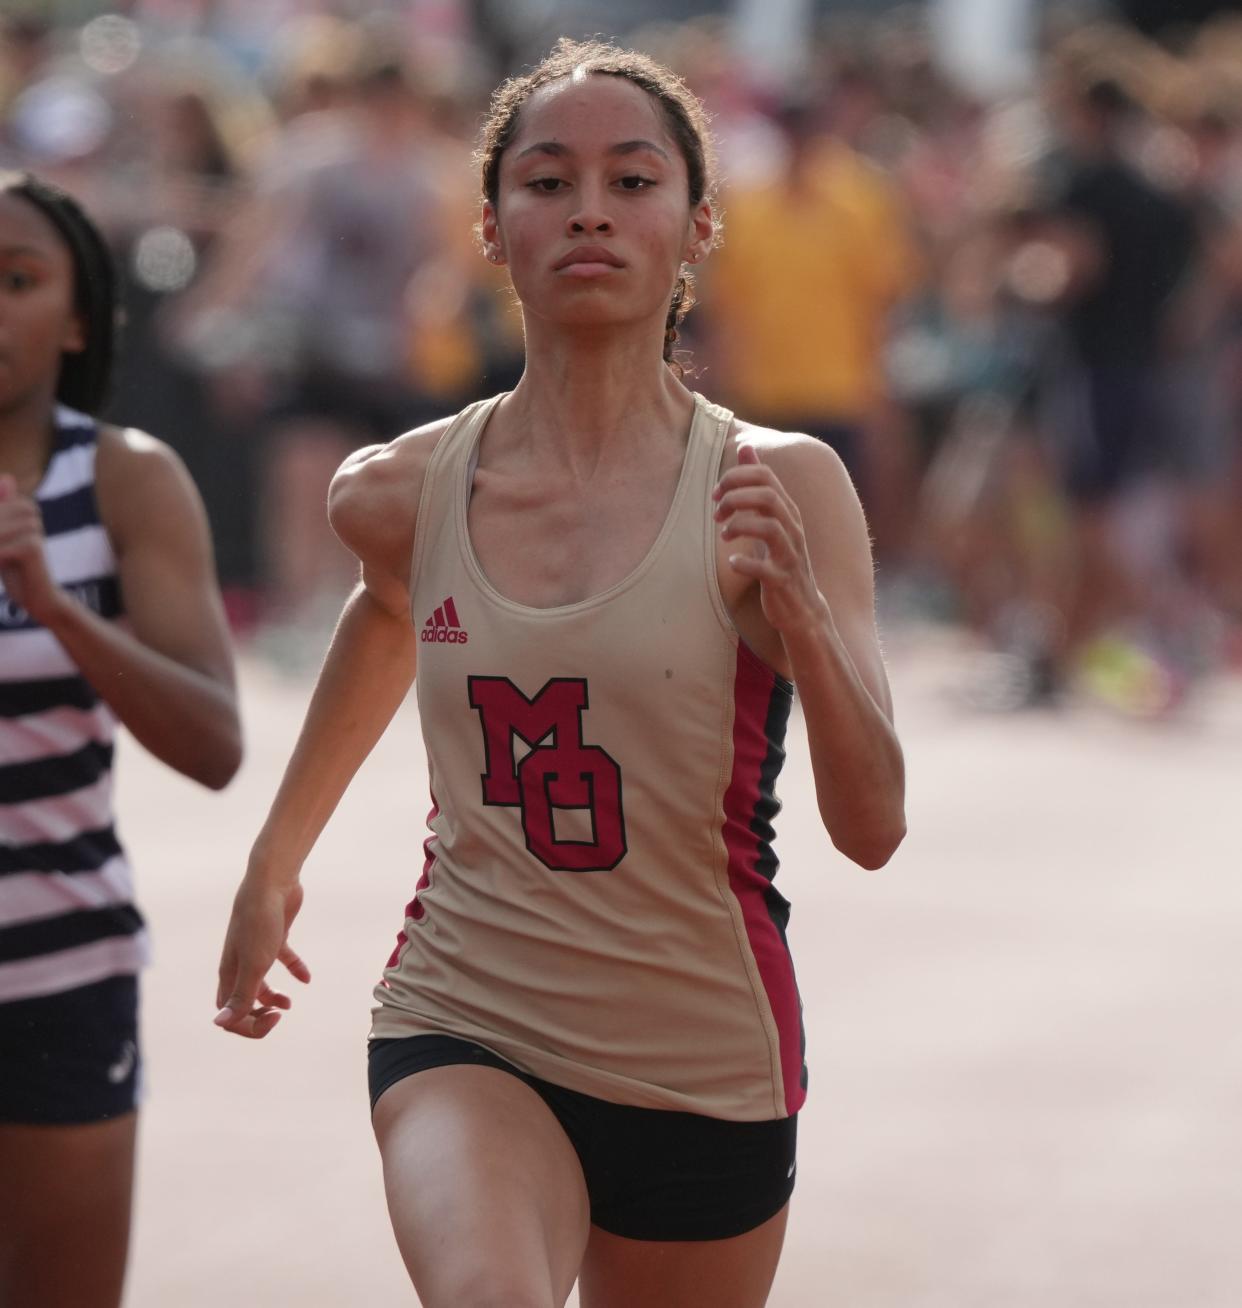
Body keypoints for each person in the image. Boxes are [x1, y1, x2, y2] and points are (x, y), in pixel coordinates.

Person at [214, 39, 905, 1308]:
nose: (589, 207)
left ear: (699, 227)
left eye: (632, 180)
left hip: (707, 1059)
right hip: (466, 1016)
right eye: (547, 180)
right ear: (489, 226)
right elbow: (382, 621)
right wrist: (275, 860)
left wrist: (802, 613)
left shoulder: (780, 484)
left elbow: (873, 830)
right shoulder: (396, 490)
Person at [0, 172, 241, 1308]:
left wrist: (52, 605)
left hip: (60, 972)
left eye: (19, 281)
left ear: (79, 315)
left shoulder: (125, 480)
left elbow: (213, 745)